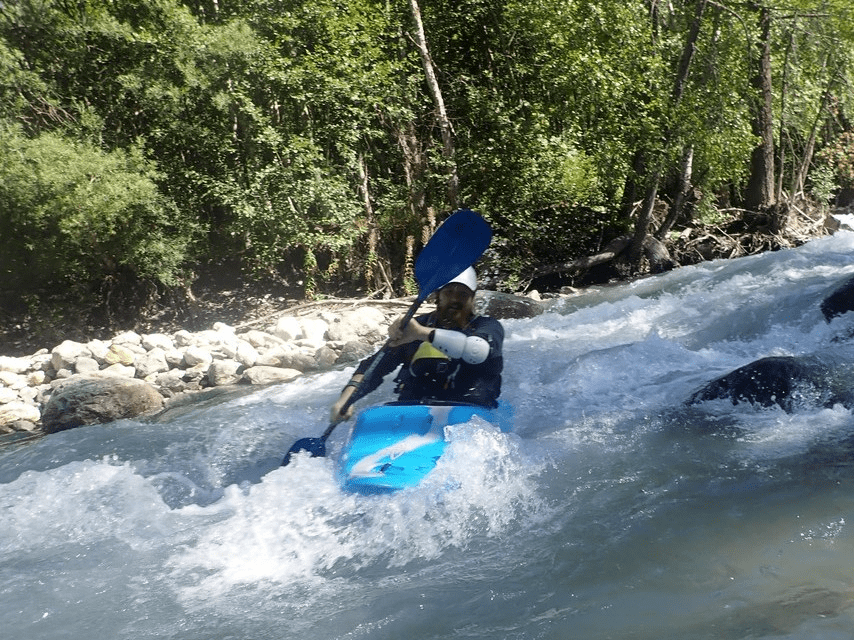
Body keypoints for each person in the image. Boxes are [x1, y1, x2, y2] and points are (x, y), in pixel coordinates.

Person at [330, 266, 504, 423]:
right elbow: (375, 366)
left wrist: (420, 334)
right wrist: (346, 399)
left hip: (468, 414)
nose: (454, 299)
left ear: (473, 299)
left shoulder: (487, 327)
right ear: (438, 297)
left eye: (463, 294)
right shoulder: (415, 326)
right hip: (412, 412)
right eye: (449, 292)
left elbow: (477, 350)